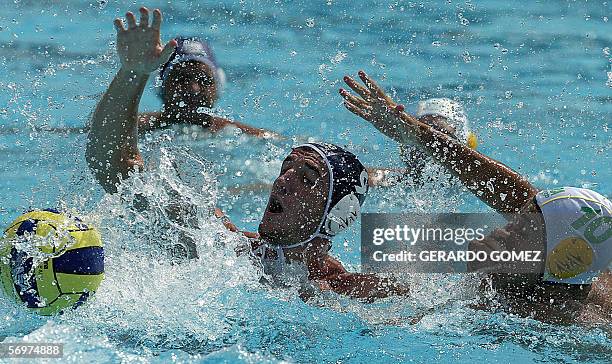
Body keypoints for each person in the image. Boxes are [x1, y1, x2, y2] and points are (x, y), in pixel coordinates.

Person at [86, 7, 408, 300]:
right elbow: (114, 169)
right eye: (286, 167)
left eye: (306, 178)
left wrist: (417, 140)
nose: (281, 181)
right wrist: (133, 73)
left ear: (334, 216)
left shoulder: (358, 293)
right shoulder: (226, 251)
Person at [339, 70, 611, 324]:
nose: (501, 229)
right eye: (514, 219)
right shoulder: (558, 250)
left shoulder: (545, 314)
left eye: (520, 230)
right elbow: (503, 185)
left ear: (551, 262)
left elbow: (404, 325)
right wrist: (412, 132)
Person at [109, 12, 279, 138]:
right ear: (161, 86)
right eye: (181, 79)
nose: (193, 88)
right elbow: (98, 133)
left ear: (218, 86)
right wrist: (133, 71)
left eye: (204, 80)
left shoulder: (245, 136)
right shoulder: (135, 127)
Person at [367, 98, 478, 187]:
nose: (425, 143)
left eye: (439, 135)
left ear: (466, 145)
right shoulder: (402, 181)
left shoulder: (482, 184)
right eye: (418, 132)